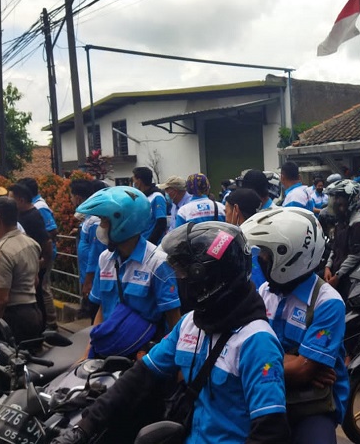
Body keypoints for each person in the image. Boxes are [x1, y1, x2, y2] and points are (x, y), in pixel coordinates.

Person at [52, 222, 290, 444]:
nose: (179, 280)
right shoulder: (191, 324)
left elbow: (270, 431)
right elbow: (140, 376)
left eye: (186, 274)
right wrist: (85, 426)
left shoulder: (256, 342)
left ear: (211, 280)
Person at [241, 208, 349, 443]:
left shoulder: (327, 303)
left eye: (267, 254)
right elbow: (244, 348)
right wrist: (296, 363)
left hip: (310, 405)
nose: (261, 259)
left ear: (289, 258)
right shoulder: (265, 292)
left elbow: (302, 371)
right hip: (268, 394)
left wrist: (253, 366)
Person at [77, 186, 181, 356]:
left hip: (144, 354)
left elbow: (173, 320)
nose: (100, 227)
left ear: (123, 223)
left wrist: (163, 359)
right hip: (109, 348)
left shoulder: (157, 263)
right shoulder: (105, 259)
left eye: (104, 220)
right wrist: (87, 353)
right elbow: (102, 309)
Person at [0, 196, 43, 343]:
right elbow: (35, 281)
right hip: (32, 312)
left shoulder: (1, 251)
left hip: (10, 319)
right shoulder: (31, 243)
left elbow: (0, 300)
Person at [8, 183, 55, 330]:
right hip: (29, 263)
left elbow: (47, 241)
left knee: (38, 296)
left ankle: (42, 327)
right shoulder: (21, 214)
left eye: (11, 199)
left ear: (21, 200)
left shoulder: (33, 216)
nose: (9, 202)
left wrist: (43, 262)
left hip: (35, 264)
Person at [18, 177, 59, 330]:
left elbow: (52, 231)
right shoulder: (31, 207)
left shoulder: (39, 207)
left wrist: (44, 256)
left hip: (43, 256)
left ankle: (51, 322)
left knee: (43, 288)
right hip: (38, 256)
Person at [323, 179, 360, 300]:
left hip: (349, 277)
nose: (335, 202)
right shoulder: (341, 221)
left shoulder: (358, 224)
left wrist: (337, 276)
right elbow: (334, 247)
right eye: (335, 198)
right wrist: (328, 267)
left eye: (340, 198)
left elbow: (354, 256)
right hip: (336, 272)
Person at [70, 179, 106, 320]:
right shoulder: (89, 217)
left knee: (96, 313)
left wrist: (89, 280)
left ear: (78, 197)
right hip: (89, 274)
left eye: (71, 196)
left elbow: (95, 252)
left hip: (95, 277)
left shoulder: (94, 220)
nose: (71, 200)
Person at [132, 166, 168, 245]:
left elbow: (161, 223)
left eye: (134, 179)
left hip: (152, 244)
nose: (133, 182)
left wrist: (151, 243)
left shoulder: (157, 197)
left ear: (139, 181)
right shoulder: (141, 197)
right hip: (141, 242)